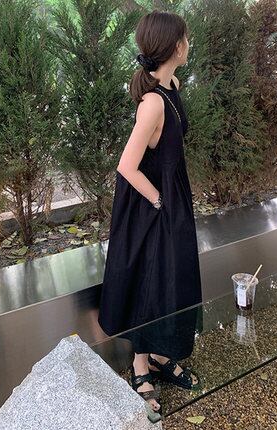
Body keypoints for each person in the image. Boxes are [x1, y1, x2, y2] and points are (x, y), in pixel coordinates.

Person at [97, 10, 203, 415]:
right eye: (186, 38)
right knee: (150, 278)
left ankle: (159, 356)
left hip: (171, 197)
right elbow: (126, 165)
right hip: (151, 203)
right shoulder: (153, 103)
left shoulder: (171, 85)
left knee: (170, 277)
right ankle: (140, 365)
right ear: (176, 46)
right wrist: (160, 201)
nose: (189, 44)